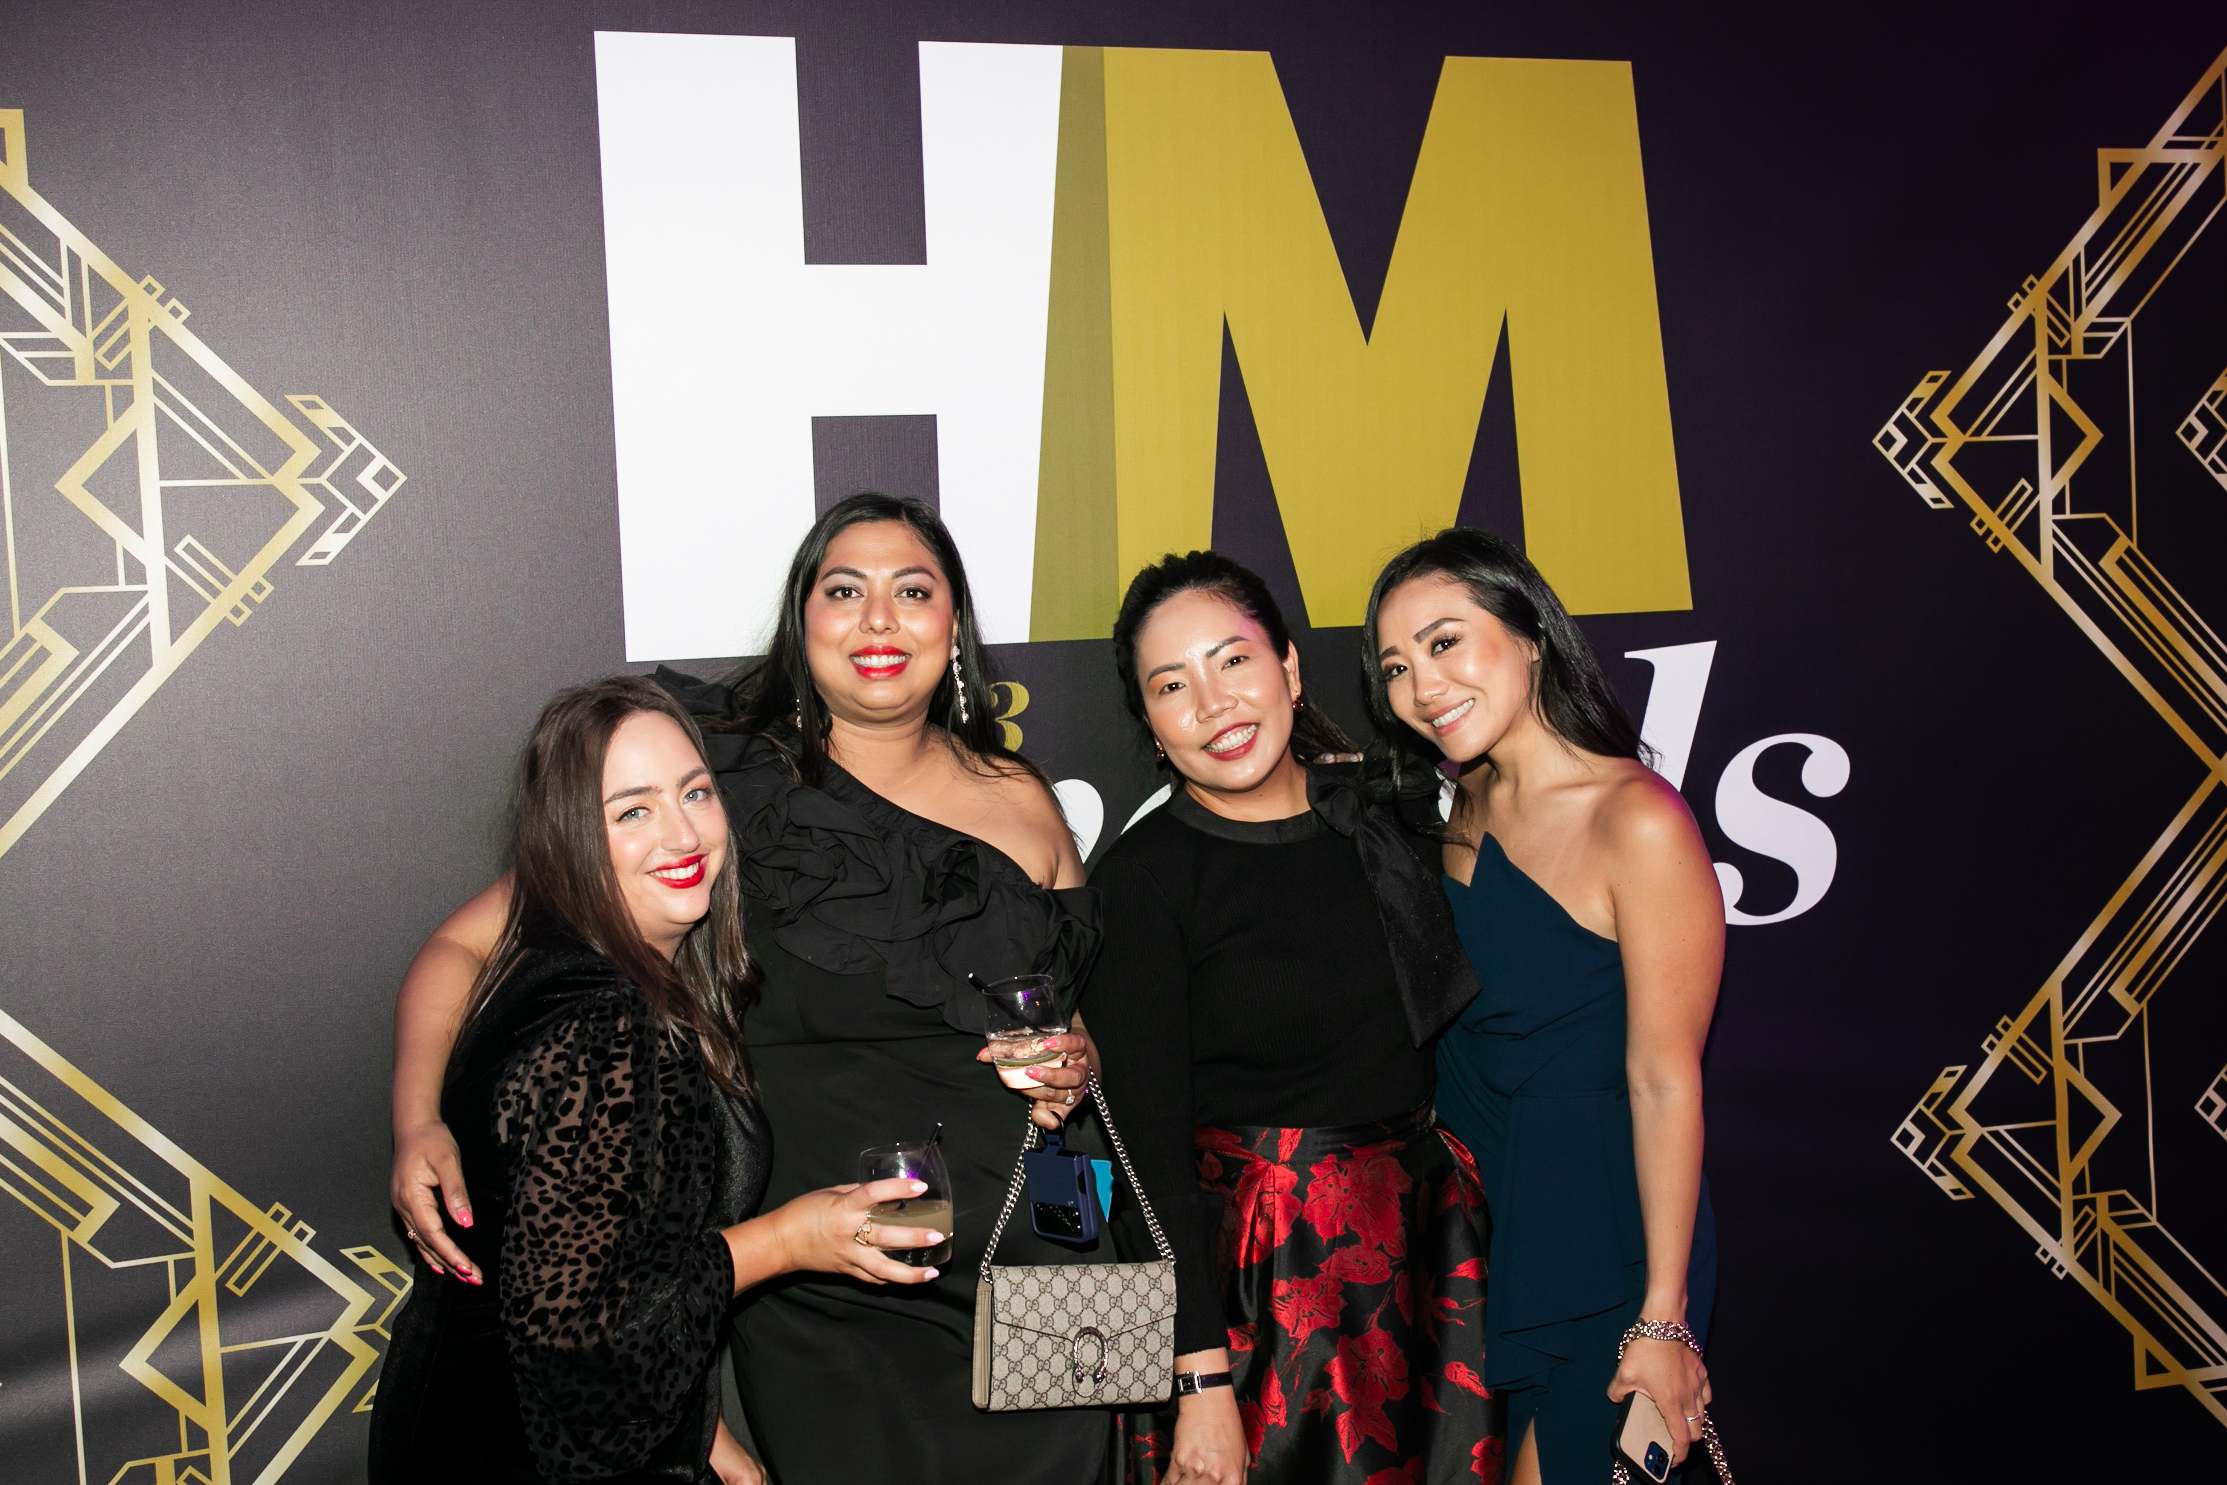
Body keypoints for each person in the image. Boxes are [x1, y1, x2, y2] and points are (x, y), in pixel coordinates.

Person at [385, 496, 1109, 1484]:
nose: (879, 619)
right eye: (843, 591)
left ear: (955, 627)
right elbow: (466, 945)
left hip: (1032, 1263)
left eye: (912, 591)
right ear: (800, 622)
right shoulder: (711, 787)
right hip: (825, 1288)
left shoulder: (1023, 799)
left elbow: (1067, 1023)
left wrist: (1077, 1062)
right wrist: (418, 1118)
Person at [368, 676, 942, 1485]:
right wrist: (786, 1239)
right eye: (632, 811)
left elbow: (615, 1257)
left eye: (695, 792)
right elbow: (585, 1352)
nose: (681, 832)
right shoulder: (603, 1025)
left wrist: (705, 1436)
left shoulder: (572, 963)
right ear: (569, 840)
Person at [1078, 552, 1498, 1485]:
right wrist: (1199, 1383)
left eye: (1233, 660)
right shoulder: (1142, 883)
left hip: (1428, 1258)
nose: (1212, 703)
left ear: (1290, 668)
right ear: (1149, 723)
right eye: (1171, 685)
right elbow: (1144, 1160)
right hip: (1254, 1295)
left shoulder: (1387, 827)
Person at [1363, 529, 1723, 1485]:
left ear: (1528, 636)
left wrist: (1662, 1317)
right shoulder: (1461, 806)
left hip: (1607, 1242)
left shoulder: (1635, 818)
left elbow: (1663, 1081)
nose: (1421, 686)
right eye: (1394, 666)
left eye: (1444, 642)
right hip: (1493, 1235)